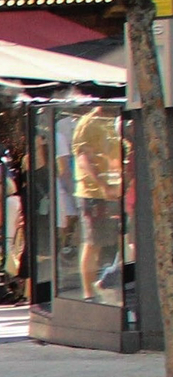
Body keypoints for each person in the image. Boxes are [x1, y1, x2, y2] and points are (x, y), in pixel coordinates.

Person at [71, 102, 122, 300]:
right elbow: (83, 158)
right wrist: (103, 185)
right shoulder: (88, 123)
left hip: (116, 191)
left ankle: (109, 281)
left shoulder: (113, 119)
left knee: (122, 240)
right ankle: (88, 294)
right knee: (93, 242)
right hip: (93, 194)